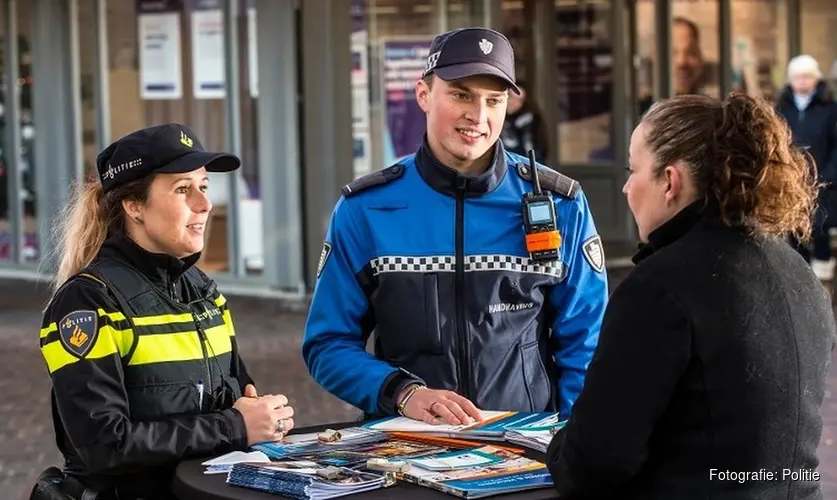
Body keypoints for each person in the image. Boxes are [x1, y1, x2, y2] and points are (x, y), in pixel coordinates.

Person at [302, 27, 608, 426]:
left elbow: (589, 343)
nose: (477, 116)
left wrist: (571, 442)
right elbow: (327, 345)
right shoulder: (364, 209)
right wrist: (402, 393)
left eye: (493, 100)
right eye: (461, 94)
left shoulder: (561, 203)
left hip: (524, 451)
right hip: (404, 449)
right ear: (424, 94)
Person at [546, 92, 836, 499]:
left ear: (670, 181)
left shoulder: (661, 286)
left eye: (634, 170)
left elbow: (596, 461)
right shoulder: (796, 271)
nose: (627, 187)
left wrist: (555, 448)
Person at [33, 123, 295, 500]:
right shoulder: (88, 303)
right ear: (134, 205)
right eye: (182, 189)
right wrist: (235, 426)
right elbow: (104, 445)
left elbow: (238, 399)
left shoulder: (203, 291)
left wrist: (261, 416)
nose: (204, 204)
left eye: (204, 187)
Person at [775, 54, 837, 282]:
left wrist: (829, 175)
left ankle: (823, 280)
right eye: (797, 77)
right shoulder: (782, 107)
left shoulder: (829, 108)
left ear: (816, 79)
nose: (801, 81)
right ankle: (799, 275)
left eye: (806, 77)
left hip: (822, 179)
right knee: (792, 224)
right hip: (790, 178)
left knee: (819, 225)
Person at [501, 82, 548, 162]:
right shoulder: (497, 119)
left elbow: (538, 151)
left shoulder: (530, 122)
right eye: (511, 97)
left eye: (519, 100)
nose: (513, 103)